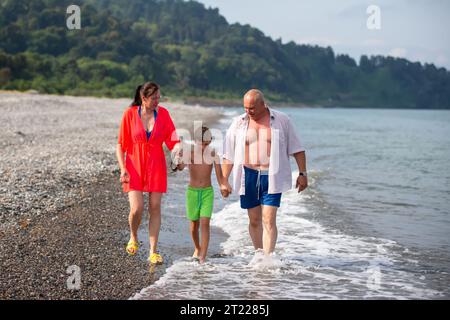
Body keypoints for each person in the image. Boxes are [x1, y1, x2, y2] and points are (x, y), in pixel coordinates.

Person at [221, 89, 308, 255]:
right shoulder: (238, 123)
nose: (248, 111)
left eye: (252, 108)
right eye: (245, 108)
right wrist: (224, 180)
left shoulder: (282, 120)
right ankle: (259, 254)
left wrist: (302, 173)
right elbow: (228, 154)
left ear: (263, 104)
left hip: (272, 175)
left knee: (268, 219)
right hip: (248, 176)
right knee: (254, 220)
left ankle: (268, 259)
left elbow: (297, 149)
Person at [116, 82, 181, 264]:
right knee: (137, 208)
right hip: (134, 166)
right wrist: (123, 168)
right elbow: (120, 145)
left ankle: (153, 251)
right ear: (143, 99)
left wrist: (178, 152)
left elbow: (173, 140)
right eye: (153, 98)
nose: (157, 101)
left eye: (159, 98)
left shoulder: (164, 114)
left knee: (154, 207)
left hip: (156, 165)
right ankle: (133, 236)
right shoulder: (130, 114)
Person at [177, 126, 228, 264]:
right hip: (192, 193)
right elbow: (180, 168)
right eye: (202, 143)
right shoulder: (190, 154)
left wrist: (224, 186)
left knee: (205, 223)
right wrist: (179, 157)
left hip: (207, 193)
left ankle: (202, 257)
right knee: (194, 224)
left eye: (207, 143)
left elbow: (220, 177)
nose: (204, 147)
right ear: (195, 141)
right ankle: (197, 247)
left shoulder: (213, 155)